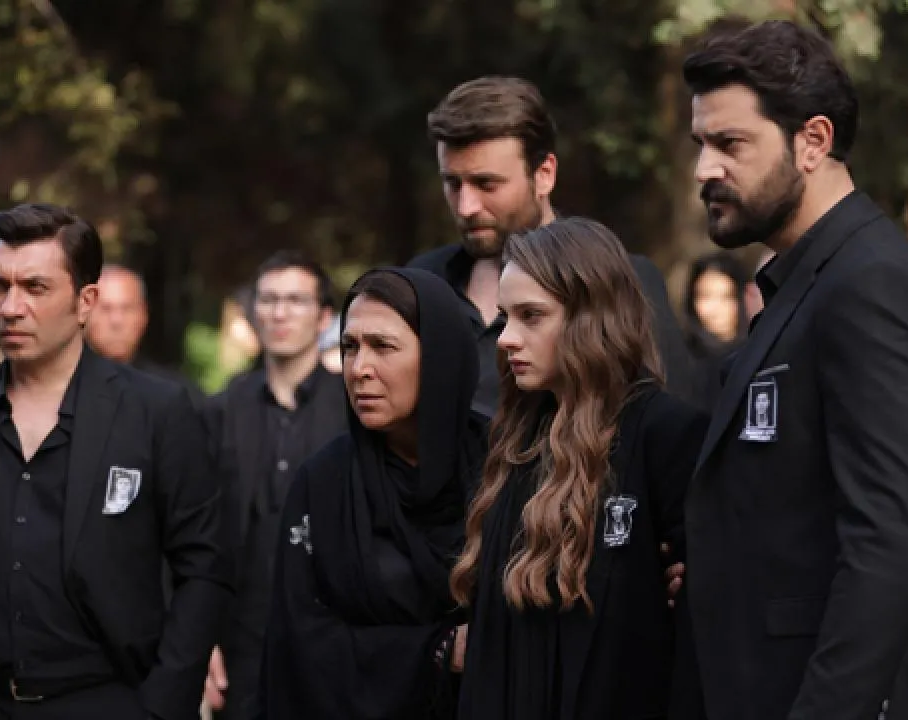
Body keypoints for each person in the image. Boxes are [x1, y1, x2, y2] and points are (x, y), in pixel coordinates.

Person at [681, 20, 908, 720]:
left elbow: (886, 540)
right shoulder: (808, 284)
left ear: (813, 141)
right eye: (700, 144)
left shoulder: (871, 282)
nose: (704, 169)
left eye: (730, 143)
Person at [0, 203, 230, 720]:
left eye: (35, 288)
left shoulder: (157, 413)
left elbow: (203, 569)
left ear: (86, 301)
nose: (10, 307)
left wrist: (162, 704)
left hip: (108, 700)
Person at [451, 217, 707, 719]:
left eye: (531, 316)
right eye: (504, 317)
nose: (506, 338)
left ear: (592, 318)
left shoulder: (665, 435)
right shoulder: (514, 440)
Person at [259, 268, 485, 719]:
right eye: (350, 347)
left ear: (439, 357)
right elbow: (299, 642)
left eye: (382, 346)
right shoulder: (324, 483)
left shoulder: (505, 468)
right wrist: (436, 650)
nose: (359, 369)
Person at [411, 76, 693, 416]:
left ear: (544, 174)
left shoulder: (621, 279)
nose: (466, 206)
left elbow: (673, 422)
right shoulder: (422, 284)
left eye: (487, 184)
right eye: (452, 183)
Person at [205, 251, 347, 720]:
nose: (280, 313)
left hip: (333, 640)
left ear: (324, 317)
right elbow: (192, 533)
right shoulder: (219, 409)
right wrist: (201, 639)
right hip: (240, 643)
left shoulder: (353, 409)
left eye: (295, 300)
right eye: (268, 300)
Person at [86, 263, 203, 401]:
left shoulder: (174, 395)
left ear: (143, 315)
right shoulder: (66, 389)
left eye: (127, 309)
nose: (116, 321)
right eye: (106, 309)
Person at [682, 252, 749, 406]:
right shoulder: (680, 361)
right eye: (705, 296)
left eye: (727, 296)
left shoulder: (757, 356)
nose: (715, 308)